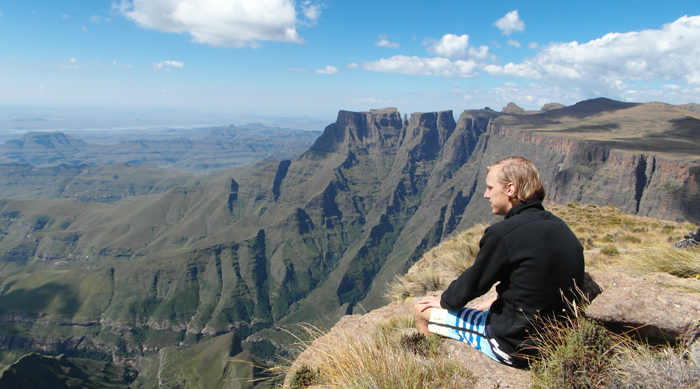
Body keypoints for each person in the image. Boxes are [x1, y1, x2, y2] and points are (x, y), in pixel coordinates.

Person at [414, 156, 585, 368]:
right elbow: (537, 279)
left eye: (490, 187)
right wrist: (496, 301)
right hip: (560, 341)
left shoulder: (503, 234)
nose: (486, 195)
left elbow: (473, 284)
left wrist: (445, 300)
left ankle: (430, 365)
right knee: (485, 305)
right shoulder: (561, 227)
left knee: (421, 311)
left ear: (510, 190)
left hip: (516, 346)